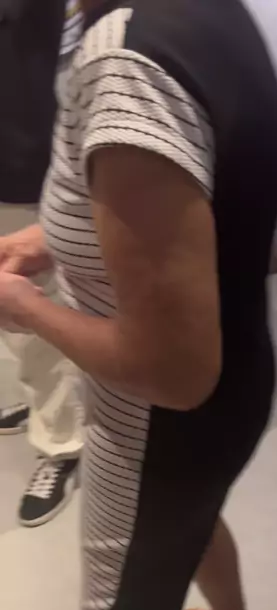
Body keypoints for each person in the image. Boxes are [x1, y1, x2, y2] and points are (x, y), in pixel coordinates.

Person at [0, 0, 277, 610]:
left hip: (158, 425)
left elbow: (171, 371)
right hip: (241, 378)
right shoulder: (198, 12)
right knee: (193, 518)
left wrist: (24, 307)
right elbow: (186, 191)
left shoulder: (122, 63)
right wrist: (57, 239)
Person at [0, 0, 83, 526]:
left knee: (37, 313)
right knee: (15, 322)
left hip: (25, 162)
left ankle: (61, 443)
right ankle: (44, 408)